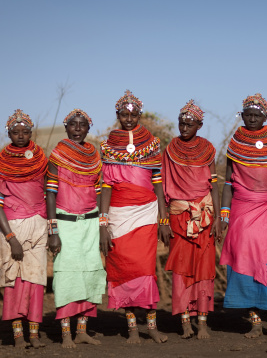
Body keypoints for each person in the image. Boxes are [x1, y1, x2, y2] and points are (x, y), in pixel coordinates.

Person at [100, 90, 168, 343]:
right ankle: (131, 329)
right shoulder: (108, 145)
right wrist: (103, 223)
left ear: (140, 114)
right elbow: (106, 186)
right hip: (118, 215)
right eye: (123, 114)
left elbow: (158, 183)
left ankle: (151, 327)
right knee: (124, 269)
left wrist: (163, 219)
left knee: (145, 269)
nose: (128, 119)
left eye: (133, 114)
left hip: (146, 214)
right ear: (117, 115)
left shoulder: (151, 143)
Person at [220, 93, 267, 338]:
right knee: (242, 258)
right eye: (247, 114)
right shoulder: (236, 141)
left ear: (265, 116)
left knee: (266, 257)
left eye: (256, 115)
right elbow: (228, 183)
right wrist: (224, 216)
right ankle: (255, 321)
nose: (251, 118)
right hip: (241, 207)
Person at [46, 109, 106, 348]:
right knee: (66, 276)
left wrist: (102, 225)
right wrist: (53, 230)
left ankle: (82, 330)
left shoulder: (94, 156)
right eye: (73, 124)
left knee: (90, 273)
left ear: (88, 129)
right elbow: (50, 193)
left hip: (91, 223)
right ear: (66, 127)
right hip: (66, 223)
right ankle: (65, 334)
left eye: (83, 124)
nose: (78, 128)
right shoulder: (57, 154)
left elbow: (99, 192)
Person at [162, 100, 221, 339]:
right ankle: (185, 322)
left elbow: (214, 185)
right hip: (179, 217)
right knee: (181, 269)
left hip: (205, 218)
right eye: (181, 123)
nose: (184, 127)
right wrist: (163, 222)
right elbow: (163, 188)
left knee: (204, 269)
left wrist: (218, 218)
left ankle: (203, 323)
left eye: (189, 123)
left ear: (200, 124)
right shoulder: (170, 149)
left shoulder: (208, 149)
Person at [0, 110, 48, 348]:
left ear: (31, 132)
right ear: (9, 133)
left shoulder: (40, 159)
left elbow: (49, 193)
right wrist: (11, 238)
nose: (21, 136)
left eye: (25, 131)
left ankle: (34, 334)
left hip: (39, 225)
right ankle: (17, 336)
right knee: (14, 282)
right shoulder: (2, 162)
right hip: (12, 228)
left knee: (36, 282)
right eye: (16, 132)